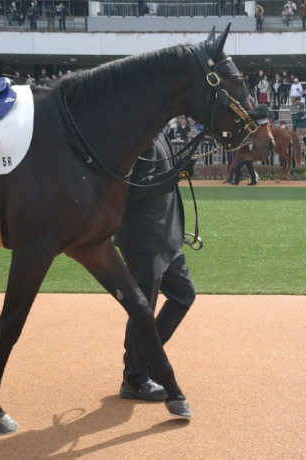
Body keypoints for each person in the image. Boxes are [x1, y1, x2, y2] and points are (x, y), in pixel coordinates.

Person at [113, 132, 196, 402]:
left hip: (166, 235)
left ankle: (146, 360)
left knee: (184, 295)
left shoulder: (159, 131)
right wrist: (175, 174)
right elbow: (136, 188)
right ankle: (134, 378)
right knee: (142, 309)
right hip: (144, 239)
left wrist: (177, 170)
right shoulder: (141, 135)